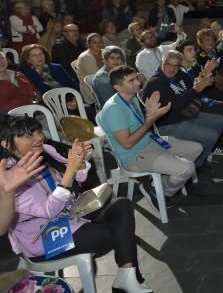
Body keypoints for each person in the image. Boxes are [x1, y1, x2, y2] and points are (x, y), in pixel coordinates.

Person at [1, 115, 153, 292]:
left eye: (37, 130)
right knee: (114, 234)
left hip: (69, 213)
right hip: (42, 236)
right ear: (5, 143)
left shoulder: (45, 150)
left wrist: (79, 163)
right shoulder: (8, 176)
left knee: (121, 205)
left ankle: (128, 275)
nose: (39, 137)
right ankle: (129, 279)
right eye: (28, 134)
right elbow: (49, 210)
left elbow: (78, 179)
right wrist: (72, 169)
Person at [99, 65, 202, 211]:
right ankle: (162, 193)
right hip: (134, 155)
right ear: (117, 86)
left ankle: (156, 186)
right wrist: (150, 119)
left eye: (136, 78)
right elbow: (127, 144)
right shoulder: (113, 109)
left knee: (196, 149)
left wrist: (149, 111)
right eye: (131, 81)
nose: (138, 83)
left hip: (150, 141)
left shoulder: (132, 98)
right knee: (187, 168)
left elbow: (141, 124)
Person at [141, 52, 223, 166]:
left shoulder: (179, 75)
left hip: (185, 115)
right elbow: (173, 108)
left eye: (176, 66)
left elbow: (192, 88)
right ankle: (196, 166)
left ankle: (203, 154)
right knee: (210, 136)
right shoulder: (155, 83)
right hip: (167, 124)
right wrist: (196, 90)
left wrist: (203, 78)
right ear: (161, 63)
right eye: (168, 64)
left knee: (220, 121)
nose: (172, 69)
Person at [75, 33, 104, 105]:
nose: (99, 44)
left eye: (100, 42)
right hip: (91, 89)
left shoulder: (104, 52)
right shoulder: (85, 57)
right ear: (88, 44)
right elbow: (96, 77)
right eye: (95, 42)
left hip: (104, 83)